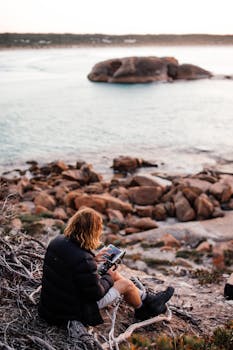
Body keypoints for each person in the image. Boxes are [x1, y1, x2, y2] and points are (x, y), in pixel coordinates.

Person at [38, 207, 174, 328]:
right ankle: (143, 310)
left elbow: (71, 265)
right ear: (92, 231)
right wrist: (108, 275)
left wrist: (94, 259)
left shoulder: (57, 241)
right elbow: (95, 294)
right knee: (125, 283)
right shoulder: (83, 260)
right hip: (71, 313)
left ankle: (147, 299)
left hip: (51, 306)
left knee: (113, 274)